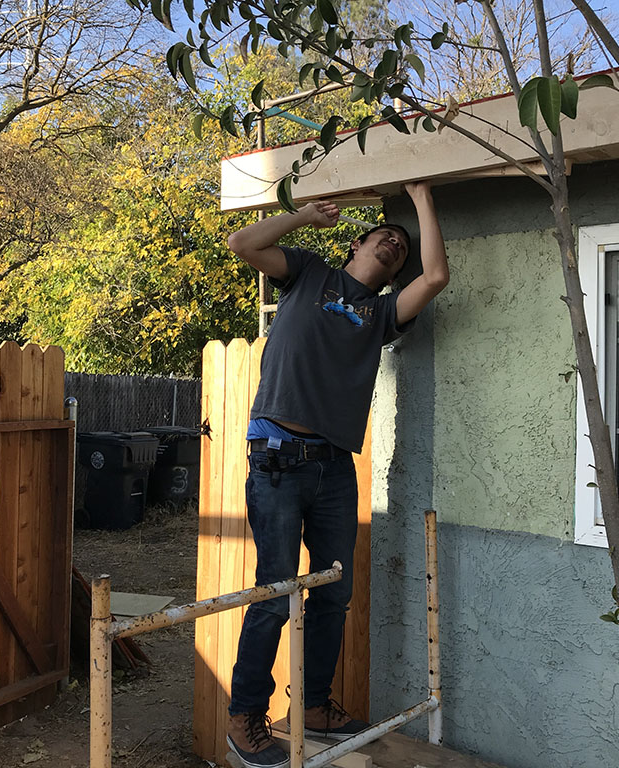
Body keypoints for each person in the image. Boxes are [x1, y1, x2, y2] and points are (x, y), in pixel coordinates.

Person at [225, 181, 449, 768]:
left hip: (332, 467)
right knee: (275, 590)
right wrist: (301, 217)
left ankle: (315, 705)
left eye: (401, 247)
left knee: (333, 592)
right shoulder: (308, 273)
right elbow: (241, 242)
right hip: (276, 457)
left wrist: (421, 198)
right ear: (356, 242)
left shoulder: (380, 315)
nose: (394, 246)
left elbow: (434, 280)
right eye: (385, 237)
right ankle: (245, 714)